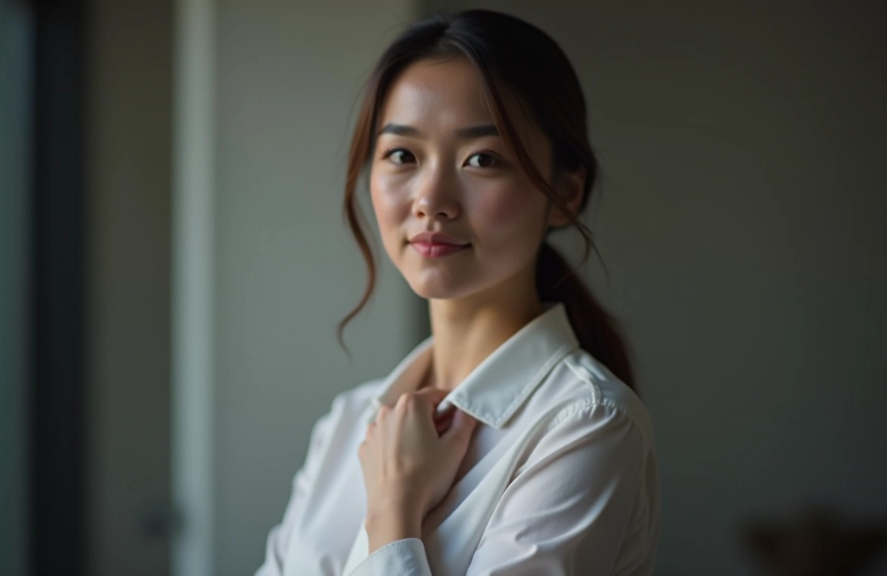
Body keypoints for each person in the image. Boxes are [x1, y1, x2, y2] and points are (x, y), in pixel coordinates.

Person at [255, 9, 660, 576]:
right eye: (403, 155)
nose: (431, 199)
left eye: (482, 159)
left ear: (566, 193)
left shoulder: (586, 424)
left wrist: (394, 510)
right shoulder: (348, 424)